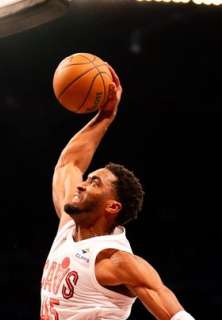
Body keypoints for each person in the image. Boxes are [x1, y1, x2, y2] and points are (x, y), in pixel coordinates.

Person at [40, 67, 195, 320]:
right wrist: (105, 116)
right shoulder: (68, 227)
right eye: (87, 180)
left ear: (112, 207)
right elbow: (69, 164)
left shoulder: (114, 259)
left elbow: (170, 308)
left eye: (94, 183)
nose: (81, 185)